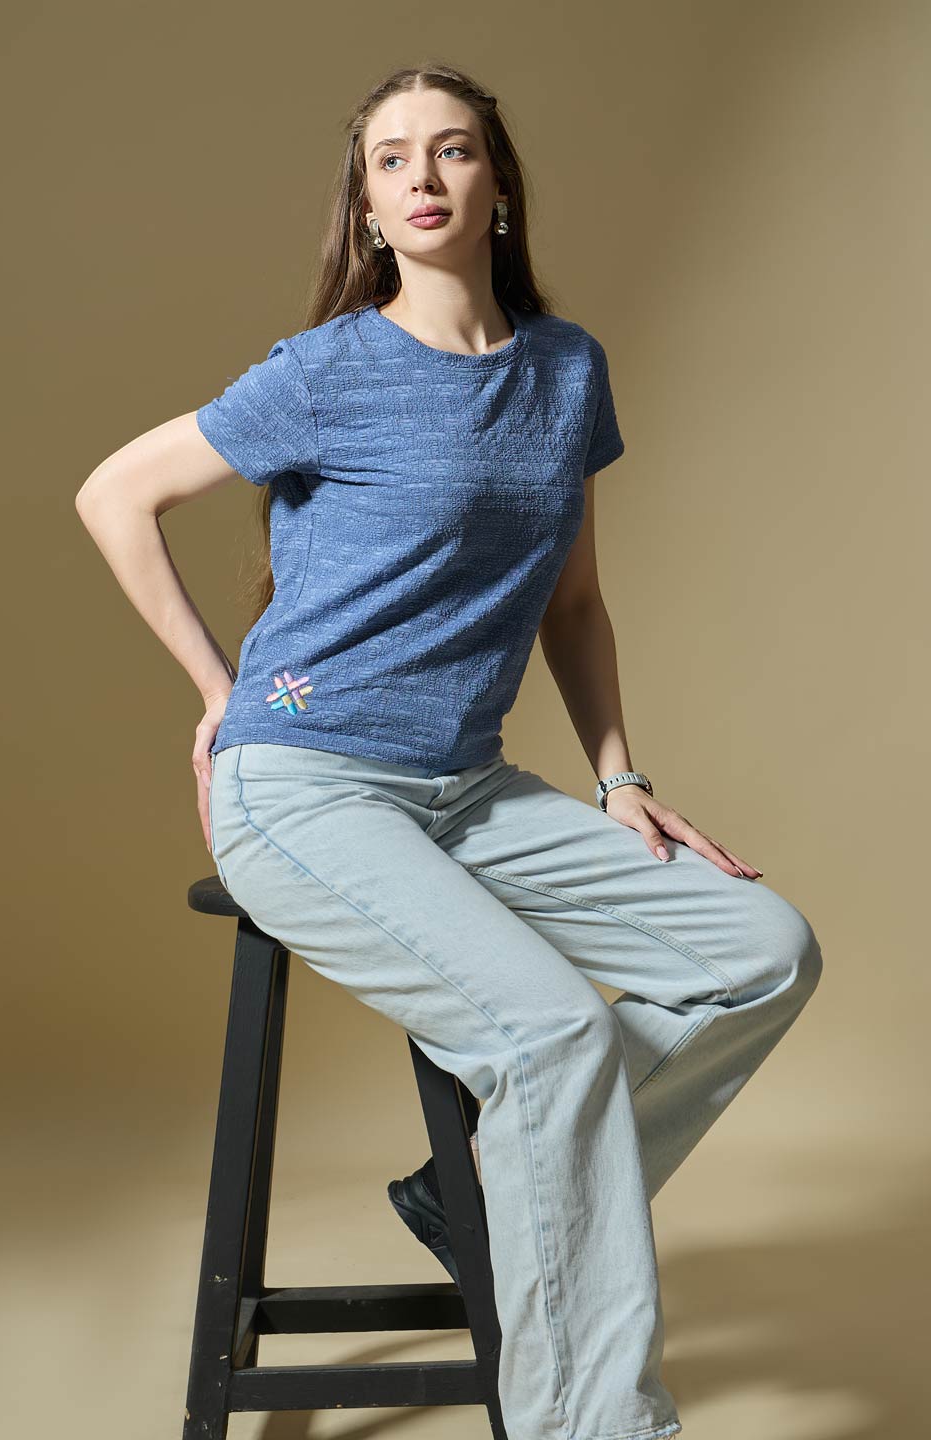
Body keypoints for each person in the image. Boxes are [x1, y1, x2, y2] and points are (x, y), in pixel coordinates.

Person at [76, 61, 823, 1440]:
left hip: (465, 790)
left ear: (498, 185)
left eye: (453, 149)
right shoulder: (328, 370)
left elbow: (575, 603)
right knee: (553, 1036)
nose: (422, 176)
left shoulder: (567, 371)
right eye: (391, 159)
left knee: (765, 950)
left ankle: (469, 1188)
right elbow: (115, 494)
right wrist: (219, 690)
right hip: (303, 787)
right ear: (365, 209)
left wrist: (620, 777)